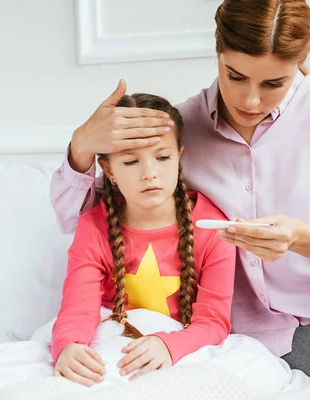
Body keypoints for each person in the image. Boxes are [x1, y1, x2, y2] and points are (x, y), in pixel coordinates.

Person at [49, 1, 310, 398]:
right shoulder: (177, 131)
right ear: (217, 52)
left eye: (274, 82)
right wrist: (82, 145)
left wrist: (306, 240)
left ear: (300, 64)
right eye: (235, 76)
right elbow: (82, 219)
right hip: (281, 328)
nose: (250, 100)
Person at [51, 94, 236, 387]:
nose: (150, 174)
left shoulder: (213, 227)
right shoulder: (93, 227)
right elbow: (78, 308)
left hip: (178, 346)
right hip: (117, 342)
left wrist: (169, 346)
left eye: (162, 157)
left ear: (179, 157)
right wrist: (69, 345)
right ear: (109, 170)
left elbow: (213, 322)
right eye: (131, 161)